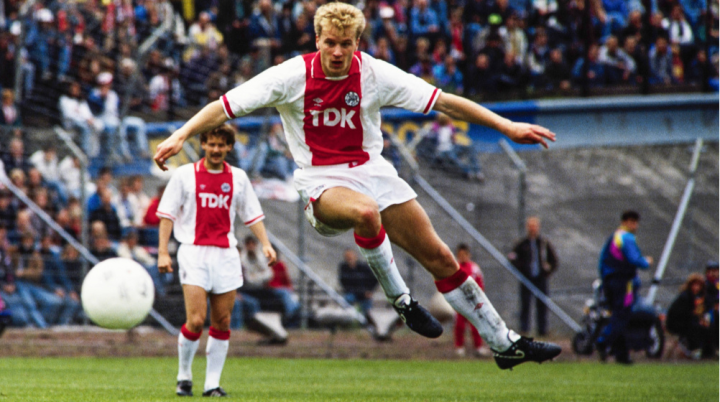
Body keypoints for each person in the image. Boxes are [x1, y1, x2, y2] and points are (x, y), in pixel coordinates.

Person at [154, 2, 560, 371]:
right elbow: (223, 107)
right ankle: (402, 300)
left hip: (373, 172)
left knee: (440, 257)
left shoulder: (373, 73)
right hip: (321, 181)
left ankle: (504, 343)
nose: (337, 52)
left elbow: (445, 102)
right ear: (317, 40)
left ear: (357, 43)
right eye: (330, 43)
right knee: (365, 212)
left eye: (345, 44)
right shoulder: (291, 76)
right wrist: (180, 135)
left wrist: (507, 126)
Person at [156, 124, 276, 397]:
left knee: (222, 320)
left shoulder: (238, 178)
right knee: (196, 320)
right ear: (203, 144)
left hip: (226, 254)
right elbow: (167, 215)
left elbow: (252, 215)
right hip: (194, 252)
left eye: (221, 145)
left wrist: (266, 244)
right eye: (211, 144)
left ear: (229, 147)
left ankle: (212, 384)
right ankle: (184, 376)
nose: (216, 149)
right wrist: (163, 252)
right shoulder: (184, 175)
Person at [595, 210, 653, 364]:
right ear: (626, 222)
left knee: (617, 315)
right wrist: (646, 262)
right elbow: (635, 259)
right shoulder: (626, 237)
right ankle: (603, 341)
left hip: (610, 281)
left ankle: (621, 354)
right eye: (633, 222)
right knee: (622, 316)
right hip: (623, 282)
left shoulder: (614, 236)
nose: (635, 226)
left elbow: (602, 262)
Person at [508, 216, 559, 336]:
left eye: (534, 227)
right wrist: (522, 269)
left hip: (541, 278)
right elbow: (512, 257)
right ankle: (524, 329)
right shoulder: (522, 244)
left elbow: (554, 260)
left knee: (542, 304)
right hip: (527, 278)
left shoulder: (543, 243)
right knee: (525, 304)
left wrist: (548, 270)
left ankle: (542, 330)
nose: (532, 229)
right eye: (530, 227)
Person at [454, 244, 491, 357]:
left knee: (476, 325)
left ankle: (478, 347)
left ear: (469, 255)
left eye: (464, 255)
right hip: (460, 302)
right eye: (460, 255)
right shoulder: (455, 267)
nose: (462, 257)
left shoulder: (474, 268)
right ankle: (459, 347)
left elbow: (480, 284)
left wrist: (479, 298)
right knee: (459, 325)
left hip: (473, 302)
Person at [665, 273, 711, 359]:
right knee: (696, 328)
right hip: (677, 323)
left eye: (699, 285)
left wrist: (702, 319)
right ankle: (692, 350)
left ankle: (707, 353)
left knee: (706, 328)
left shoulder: (701, 297)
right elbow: (683, 314)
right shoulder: (685, 297)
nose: (696, 288)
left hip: (689, 321)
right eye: (694, 285)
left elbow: (704, 310)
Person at [338, 248, 378, 317]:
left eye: (350, 256)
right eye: (347, 257)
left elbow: (374, 279)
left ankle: (367, 317)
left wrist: (370, 290)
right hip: (352, 292)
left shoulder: (363, 267)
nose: (349, 259)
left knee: (367, 309)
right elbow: (342, 281)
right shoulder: (344, 267)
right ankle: (348, 317)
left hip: (364, 293)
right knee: (346, 300)